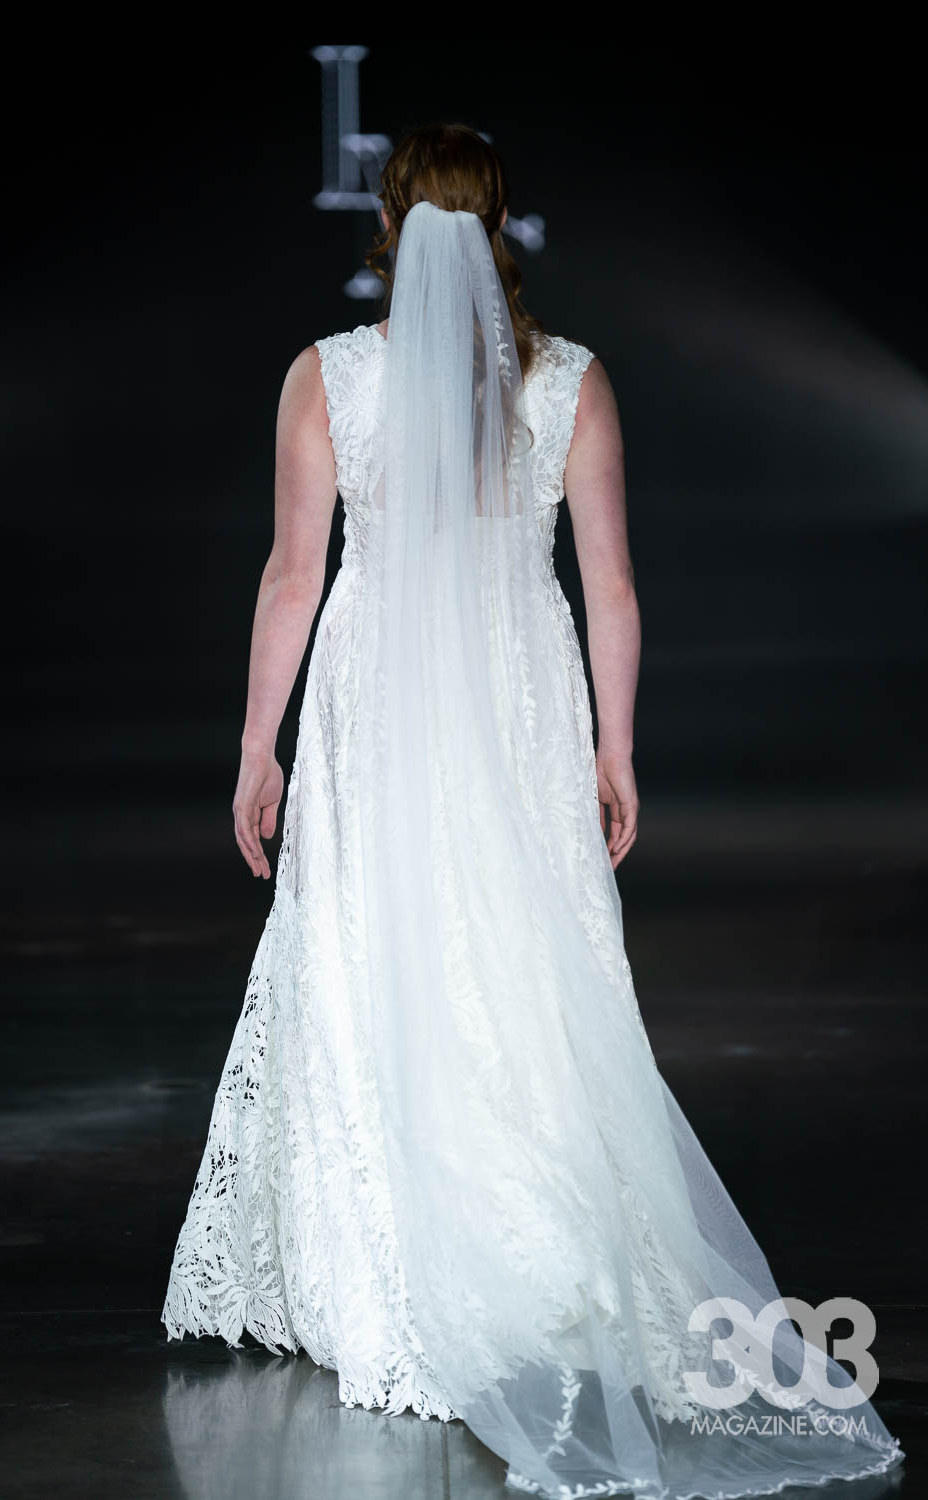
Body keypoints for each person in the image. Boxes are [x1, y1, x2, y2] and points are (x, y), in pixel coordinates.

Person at [161, 123, 905, 1499]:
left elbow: (290, 578)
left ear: (390, 227)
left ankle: (388, 1261)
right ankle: (540, 1248)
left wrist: (257, 748)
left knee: (374, 947)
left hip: (377, 700)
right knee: (520, 955)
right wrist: (614, 748)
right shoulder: (570, 383)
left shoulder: (328, 378)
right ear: (503, 227)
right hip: (518, 695)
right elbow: (609, 583)